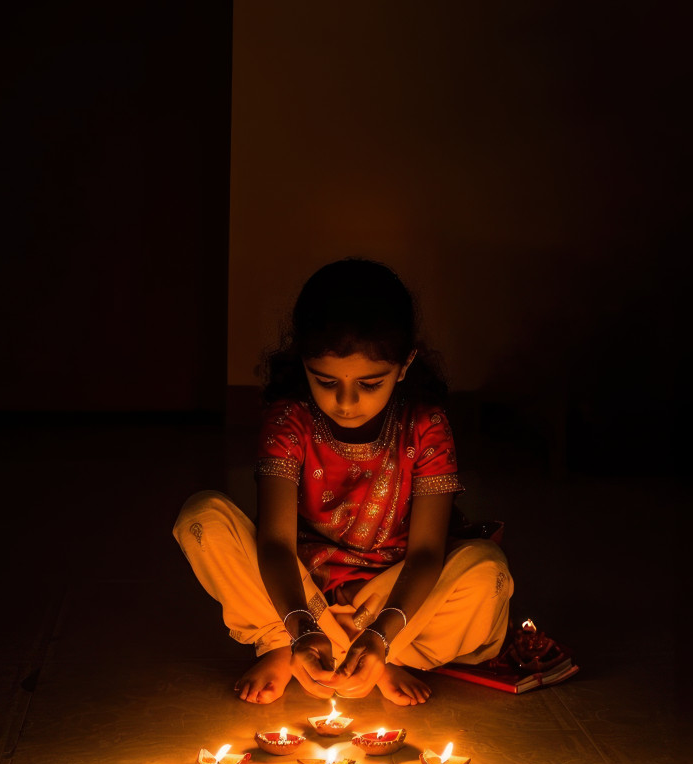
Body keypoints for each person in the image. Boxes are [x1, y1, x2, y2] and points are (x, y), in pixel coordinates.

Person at [173, 258, 514, 708]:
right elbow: (275, 546)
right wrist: (301, 625)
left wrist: (382, 634)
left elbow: (428, 555)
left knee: (486, 572)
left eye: (371, 383)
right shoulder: (290, 420)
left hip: (395, 596)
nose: (347, 402)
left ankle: (355, 650)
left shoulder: (426, 425)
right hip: (302, 593)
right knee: (202, 519)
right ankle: (304, 646)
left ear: (405, 364)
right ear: (303, 365)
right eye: (325, 381)